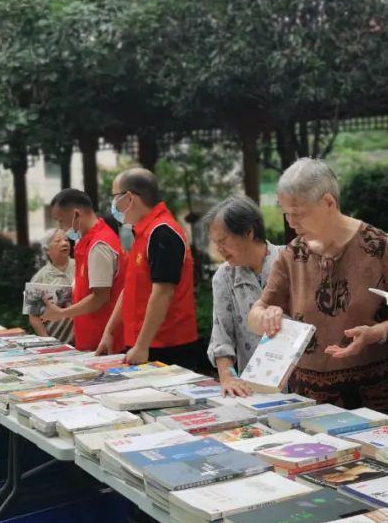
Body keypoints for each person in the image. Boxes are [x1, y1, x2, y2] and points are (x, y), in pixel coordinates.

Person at [248, 158, 388, 411]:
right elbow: (256, 315)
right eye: (286, 213)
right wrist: (266, 317)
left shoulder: (378, 246)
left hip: (375, 395)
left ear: (328, 203)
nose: (290, 222)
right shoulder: (292, 255)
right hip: (307, 397)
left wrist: (378, 333)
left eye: (298, 213)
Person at [100, 169, 198, 368]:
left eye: (114, 197)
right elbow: (130, 288)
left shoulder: (162, 232)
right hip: (143, 344)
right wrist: (110, 331)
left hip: (167, 346)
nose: (113, 204)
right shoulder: (143, 232)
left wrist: (142, 345)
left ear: (129, 198)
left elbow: (163, 292)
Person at [203, 197, 282, 396]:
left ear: (248, 232)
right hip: (255, 388)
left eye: (223, 241)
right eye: (215, 243)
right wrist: (228, 377)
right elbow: (222, 336)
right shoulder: (224, 277)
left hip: (301, 383)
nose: (219, 250)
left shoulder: (289, 262)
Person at [43, 189, 125, 353]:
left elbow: (100, 297)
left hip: (102, 341)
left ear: (76, 214)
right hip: (92, 337)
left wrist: (61, 313)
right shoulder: (87, 240)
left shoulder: (99, 245)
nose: (61, 227)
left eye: (61, 221)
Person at [26, 228, 75, 344]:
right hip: (56, 339)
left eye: (66, 240)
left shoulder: (81, 267)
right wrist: (48, 341)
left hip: (83, 339)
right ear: (47, 250)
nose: (64, 243)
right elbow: (33, 317)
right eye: (58, 241)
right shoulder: (39, 278)